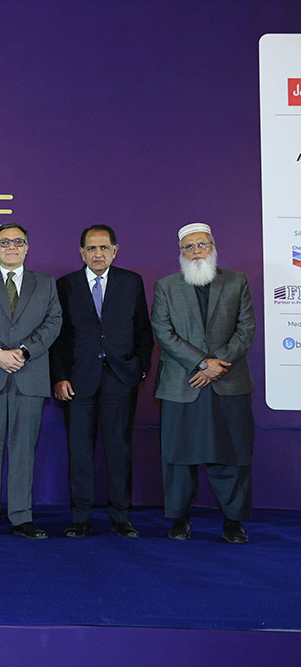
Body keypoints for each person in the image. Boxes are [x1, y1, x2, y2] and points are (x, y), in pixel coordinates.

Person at [151, 222, 255, 544]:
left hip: (228, 381)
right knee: (178, 457)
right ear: (181, 252)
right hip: (183, 383)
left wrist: (216, 364)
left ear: (213, 246)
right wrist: (201, 363)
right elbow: (163, 332)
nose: (196, 251)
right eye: (189, 246)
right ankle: (180, 518)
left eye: (202, 244)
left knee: (232, 455)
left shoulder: (237, 281)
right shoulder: (166, 286)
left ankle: (233, 521)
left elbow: (246, 328)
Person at [50, 225, 153, 538]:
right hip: (78, 381)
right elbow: (58, 338)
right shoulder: (65, 285)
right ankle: (80, 517)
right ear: (81, 253)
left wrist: (139, 370)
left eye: (104, 248)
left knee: (119, 450)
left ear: (115, 250)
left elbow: (143, 331)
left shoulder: (131, 282)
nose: (98, 254)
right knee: (79, 451)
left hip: (120, 379)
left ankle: (121, 517)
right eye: (91, 249)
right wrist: (60, 377)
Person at [0, 222, 61, 539]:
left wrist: (24, 351)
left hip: (29, 376)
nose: (11, 247)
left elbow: (54, 322)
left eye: (18, 242)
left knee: (23, 451)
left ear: (27, 248)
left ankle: (21, 517)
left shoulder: (46, 283)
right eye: (4, 242)